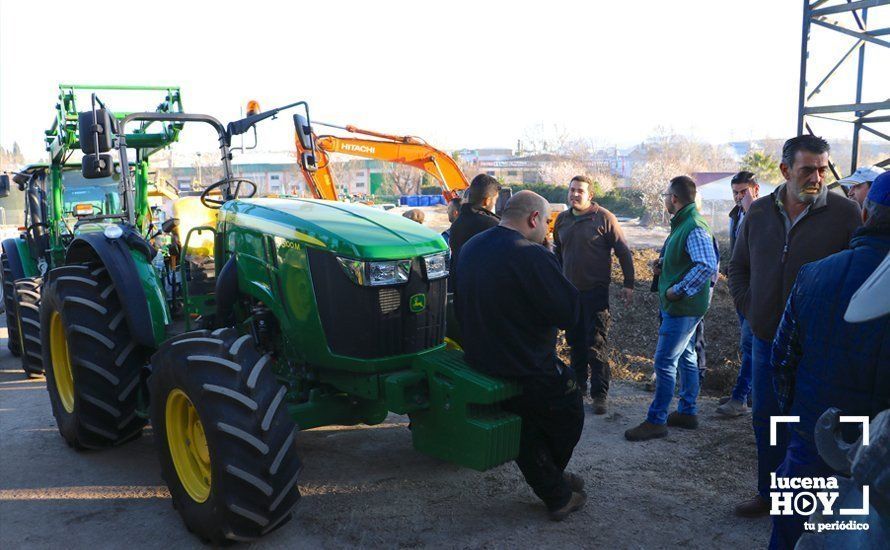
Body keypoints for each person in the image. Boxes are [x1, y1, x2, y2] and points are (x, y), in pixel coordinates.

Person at [728, 134, 861, 518]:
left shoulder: (844, 214)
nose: (817, 177)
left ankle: (802, 507)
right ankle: (768, 494)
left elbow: (855, 276)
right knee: (767, 419)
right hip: (767, 338)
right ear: (786, 170)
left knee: (810, 425)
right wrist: (751, 309)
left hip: (818, 345)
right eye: (808, 170)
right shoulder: (758, 214)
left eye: (822, 169)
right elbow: (739, 268)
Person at [767, 171, 890, 548]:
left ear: (865, 213)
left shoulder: (815, 275)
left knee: (792, 533)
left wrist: (798, 419)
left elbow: (782, 358)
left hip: (816, 438)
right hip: (883, 459)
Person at [454, 190, 586, 521]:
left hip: (480, 358)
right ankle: (555, 491)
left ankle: (552, 483)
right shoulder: (532, 256)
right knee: (568, 409)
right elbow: (570, 313)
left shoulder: (472, 246)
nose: (547, 230)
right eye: (546, 222)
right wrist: (552, 259)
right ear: (533, 219)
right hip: (525, 367)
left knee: (525, 422)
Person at [625, 176, 717, 441]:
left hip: (683, 307)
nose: (665, 199)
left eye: (666, 195)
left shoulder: (693, 225)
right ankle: (687, 412)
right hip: (684, 307)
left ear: (674, 198)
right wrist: (663, 263)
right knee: (687, 356)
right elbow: (687, 259)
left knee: (665, 362)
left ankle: (657, 420)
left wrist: (679, 290)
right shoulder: (683, 223)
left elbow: (706, 265)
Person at [554, 175, 634, 415]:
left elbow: (623, 251)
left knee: (596, 344)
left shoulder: (604, 218)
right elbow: (559, 251)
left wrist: (628, 284)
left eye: (580, 191)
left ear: (590, 195)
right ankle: (578, 388)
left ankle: (600, 394)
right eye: (572, 190)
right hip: (571, 293)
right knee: (575, 343)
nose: (575, 194)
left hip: (595, 293)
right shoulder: (562, 220)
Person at [716, 171, 760, 417]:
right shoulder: (736, 215)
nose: (738, 197)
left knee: (751, 342)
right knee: (748, 343)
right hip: (742, 290)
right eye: (735, 192)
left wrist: (753, 209)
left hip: (758, 291)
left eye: (743, 192)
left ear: (755, 189)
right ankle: (749, 393)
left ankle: (740, 396)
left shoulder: (763, 214)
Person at [447, 174, 500, 289]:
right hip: (484, 289)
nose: (494, 204)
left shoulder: (457, 223)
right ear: (487, 201)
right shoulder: (492, 225)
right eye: (495, 200)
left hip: (460, 287)